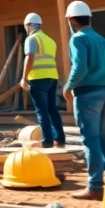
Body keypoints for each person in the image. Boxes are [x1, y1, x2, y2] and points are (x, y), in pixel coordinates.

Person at [62, 0, 105, 200]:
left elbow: (80, 67)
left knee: (90, 140)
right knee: (103, 138)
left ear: (71, 20)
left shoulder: (78, 39)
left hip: (88, 96)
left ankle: (95, 186)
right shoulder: (102, 40)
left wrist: (68, 86)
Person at [20, 13, 66, 149]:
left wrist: (24, 78)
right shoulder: (50, 40)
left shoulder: (32, 39)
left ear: (29, 25)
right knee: (52, 109)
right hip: (52, 77)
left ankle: (47, 141)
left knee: (42, 111)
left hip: (37, 78)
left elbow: (30, 58)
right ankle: (60, 138)